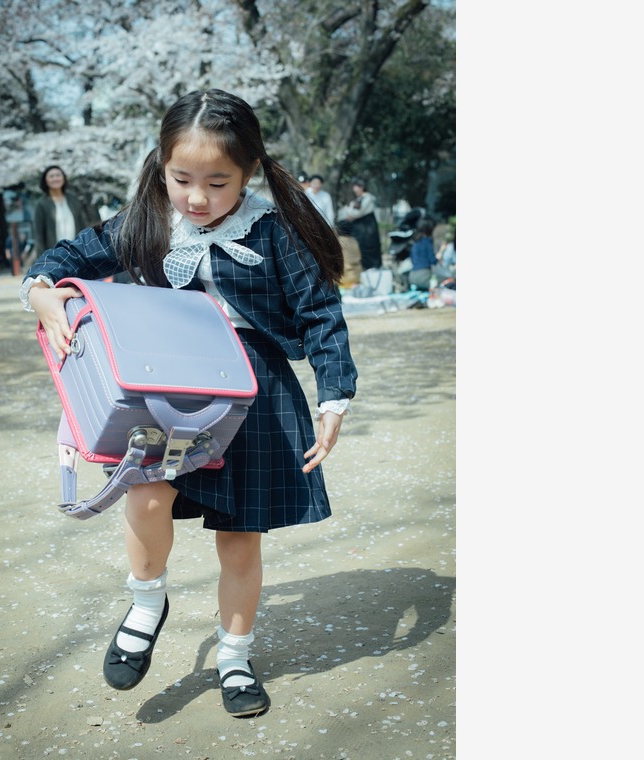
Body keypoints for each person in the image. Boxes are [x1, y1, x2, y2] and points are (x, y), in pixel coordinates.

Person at [21, 89, 358, 718]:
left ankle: (234, 655)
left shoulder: (273, 227)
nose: (196, 198)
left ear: (249, 171)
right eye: (182, 178)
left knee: (239, 539)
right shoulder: (149, 218)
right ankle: (147, 600)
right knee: (145, 494)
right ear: (161, 165)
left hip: (253, 393)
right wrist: (43, 291)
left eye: (217, 181)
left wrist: (334, 396)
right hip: (167, 386)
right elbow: (64, 259)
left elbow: (320, 312)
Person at [30, 165, 99, 269]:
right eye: (51, 176)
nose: (55, 178)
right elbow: (38, 234)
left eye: (58, 175)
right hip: (54, 254)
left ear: (63, 178)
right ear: (46, 180)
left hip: (75, 251)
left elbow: (82, 225)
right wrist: (42, 259)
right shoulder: (42, 204)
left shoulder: (73, 199)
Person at [337, 178, 382, 270]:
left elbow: (357, 213)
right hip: (360, 228)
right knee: (362, 249)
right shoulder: (358, 199)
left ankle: (373, 268)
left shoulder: (368, 198)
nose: (355, 189)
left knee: (370, 249)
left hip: (368, 228)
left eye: (356, 186)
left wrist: (347, 209)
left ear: (362, 187)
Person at [408, 216, 438, 291]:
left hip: (412, 275)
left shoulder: (415, 242)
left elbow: (412, 258)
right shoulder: (427, 241)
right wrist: (439, 257)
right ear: (430, 229)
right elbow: (432, 260)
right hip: (423, 276)